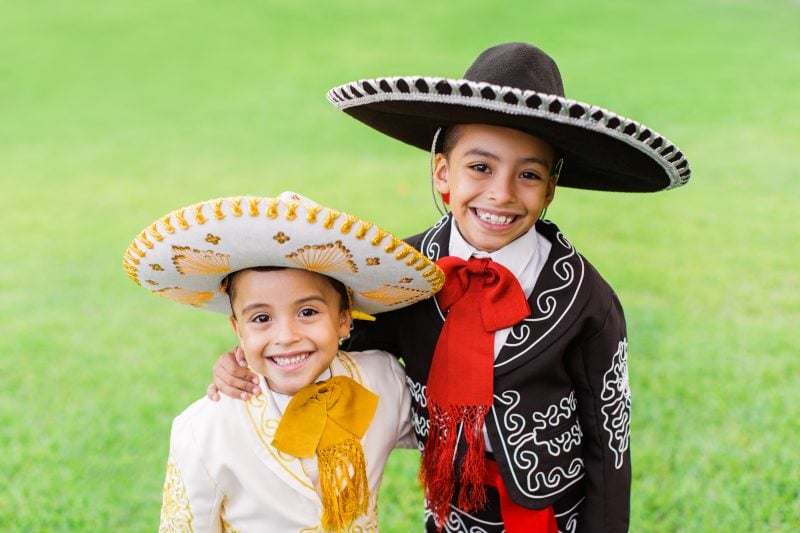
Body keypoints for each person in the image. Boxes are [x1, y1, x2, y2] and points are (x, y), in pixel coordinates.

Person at [209, 43, 692, 532]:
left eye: (528, 175)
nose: (501, 194)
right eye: (480, 168)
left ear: (549, 189)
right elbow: (328, 340)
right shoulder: (399, 270)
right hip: (451, 510)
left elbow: (608, 436)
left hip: (550, 513)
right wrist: (246, 360)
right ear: (443, 172)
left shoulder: (585, 298)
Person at [123, 192, 444, 532]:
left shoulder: (383, 379)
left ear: (344, 319)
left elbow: (443, 431)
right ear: (238, 330)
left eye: (307, 312)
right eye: (261, 319)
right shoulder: (204, 429)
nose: (286, 335)